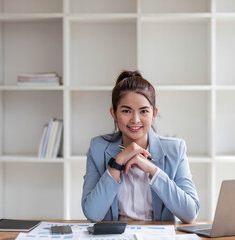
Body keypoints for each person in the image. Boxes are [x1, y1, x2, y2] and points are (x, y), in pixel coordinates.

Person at [81, 70, 200, 223]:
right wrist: (116, 163)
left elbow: (190, 214)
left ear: (154, 113)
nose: (135, 120)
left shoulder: (175, 150)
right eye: (126, 111)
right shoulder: (97, 148)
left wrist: (153, 170)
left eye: (143, 111)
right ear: (114, 113)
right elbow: (92, 213)